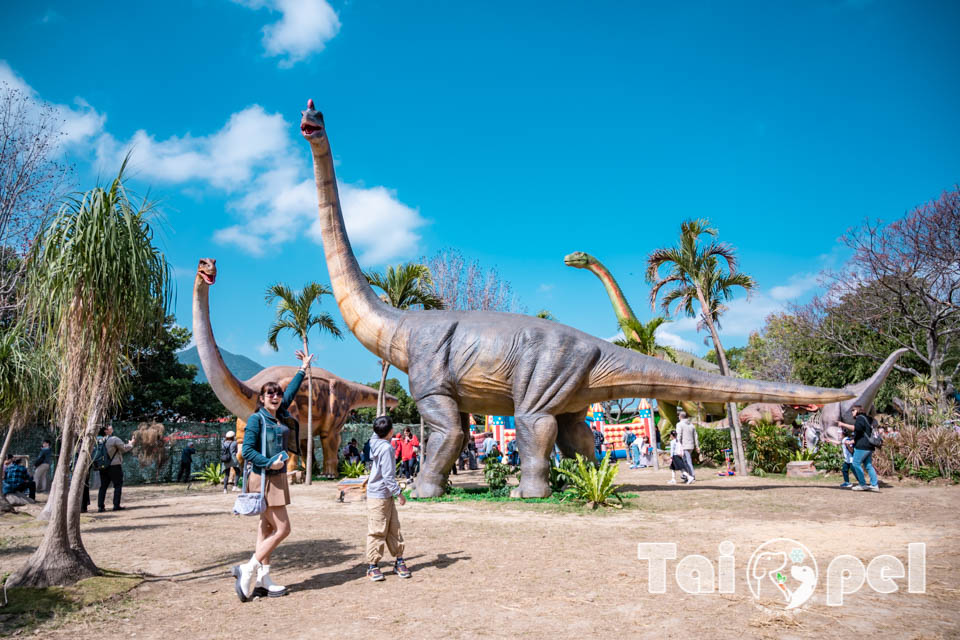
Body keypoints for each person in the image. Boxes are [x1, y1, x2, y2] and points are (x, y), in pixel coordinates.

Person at [233, 350, 311, 602]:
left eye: (277, 393)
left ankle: (264, 579)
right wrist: (269, 463)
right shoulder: (256, 420)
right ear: (262, 398)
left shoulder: (279, 414)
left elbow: (291, 392)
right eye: (270, 393)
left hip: (276, 478)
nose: (276, 396)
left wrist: (302, 368)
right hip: (264, 478)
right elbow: (247, 451)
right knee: (283, 528)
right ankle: (249, 567)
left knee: (266, 527)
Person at [365, 415, 411, 582]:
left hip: (384, 495)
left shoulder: (374, 441)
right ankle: (373, 566)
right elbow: (388, 476)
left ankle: (399, 560)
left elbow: (375, 432)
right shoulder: (386, 448)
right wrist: (399, 494)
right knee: (377, 530)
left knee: (394, 528)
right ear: (391, 431)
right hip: (378, 495)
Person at [838, 405, 880, 492]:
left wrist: (843, 424)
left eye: (853, 410)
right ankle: (874, 485)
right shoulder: (868, 418)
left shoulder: (860, 418)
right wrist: (852, 441)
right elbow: (862, 433)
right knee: (868, 465)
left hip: (862, 446)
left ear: (857, 410)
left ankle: (862, 484)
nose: (852, 412)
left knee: (855, 463)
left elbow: (856, 429)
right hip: (869, 446)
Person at [97, 424, 133, 512]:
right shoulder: (114, 439)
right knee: (117, 485)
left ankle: (100, 507)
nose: (111, 427)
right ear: (106, 431)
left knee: (103, 486)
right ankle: (116, 505)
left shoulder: (98, 440)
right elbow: (124, 448)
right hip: (114, 465)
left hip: (103, 466)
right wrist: (131, 444)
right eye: (109, 426)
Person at [676, 411, 698, 484]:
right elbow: (695, 436)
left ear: (680, 416)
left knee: (687, 462)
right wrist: (697, 446)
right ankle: (686, 476)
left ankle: (691, 476)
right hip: (691, 446)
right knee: (686, 461)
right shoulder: (691, 425)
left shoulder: (679, 424)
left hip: (684, 445)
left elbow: (678, 435)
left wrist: (677, 444)